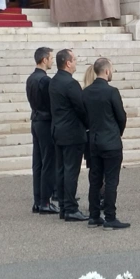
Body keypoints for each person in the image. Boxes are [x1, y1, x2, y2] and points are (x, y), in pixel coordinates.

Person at [80, 58, 129, 229]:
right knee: (111, 181)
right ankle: (110, 217)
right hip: (110, 142)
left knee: (95, 179)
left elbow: (83, 116)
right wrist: (117, 133)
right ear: (107, 71)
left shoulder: (85, 92)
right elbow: (121, 116)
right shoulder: (112, 92)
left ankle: (94, 216)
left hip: (93, 141)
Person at [48, 49, 89, 222]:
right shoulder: (70, 84)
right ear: (68, 63)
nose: (76, 62)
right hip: (72, 133)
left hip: (58, 130)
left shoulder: (54, 81)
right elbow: (81, 108)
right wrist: (88, 124)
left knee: (61, 170)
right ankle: (71, 208)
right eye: (75, 59)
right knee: (71, 171)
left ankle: (64, 206)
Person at [26, 47, 58, 215]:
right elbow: (50, 103)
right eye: (51, 58)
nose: (52, 61)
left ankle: (38, 200)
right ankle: (45, 200)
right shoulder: (45, 80)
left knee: (38, 162)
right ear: (44, 60)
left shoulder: (31, 78)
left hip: (36, 120)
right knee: (47, 162)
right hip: (45, 121)